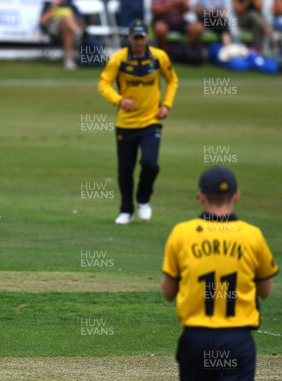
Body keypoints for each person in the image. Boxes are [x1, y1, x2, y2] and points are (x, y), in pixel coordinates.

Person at [161, 166, 278, 381]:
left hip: (195, 339)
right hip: (236, 339)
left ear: (201, 196)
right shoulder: (252, 235)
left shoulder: (182, 233)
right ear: (236, 195)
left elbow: (168, 292)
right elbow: (265, 291)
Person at [98, 20, 178, 225]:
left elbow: (172, 80)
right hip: (126, 123)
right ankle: (126, 210)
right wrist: (119, 100)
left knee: (150, 164)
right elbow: (104, 83)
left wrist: (166, 105)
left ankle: (143, 199)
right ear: (129, 38)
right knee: (125, 169)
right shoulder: (119, 60)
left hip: (151, 121)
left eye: (142, 37)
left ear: (147, 38)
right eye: (136, 38)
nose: (139, 42)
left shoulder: (159, 57)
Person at [39, 0, 85, 70]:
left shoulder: (70, 4)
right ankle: (77, 32)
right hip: (54, 28)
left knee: (67, 26)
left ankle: (68, 60)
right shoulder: (49, 4)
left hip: (68, 29)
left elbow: (81, 21)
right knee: (66, 18)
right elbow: (42, 21)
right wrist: (53, 7)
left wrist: (71, 18)